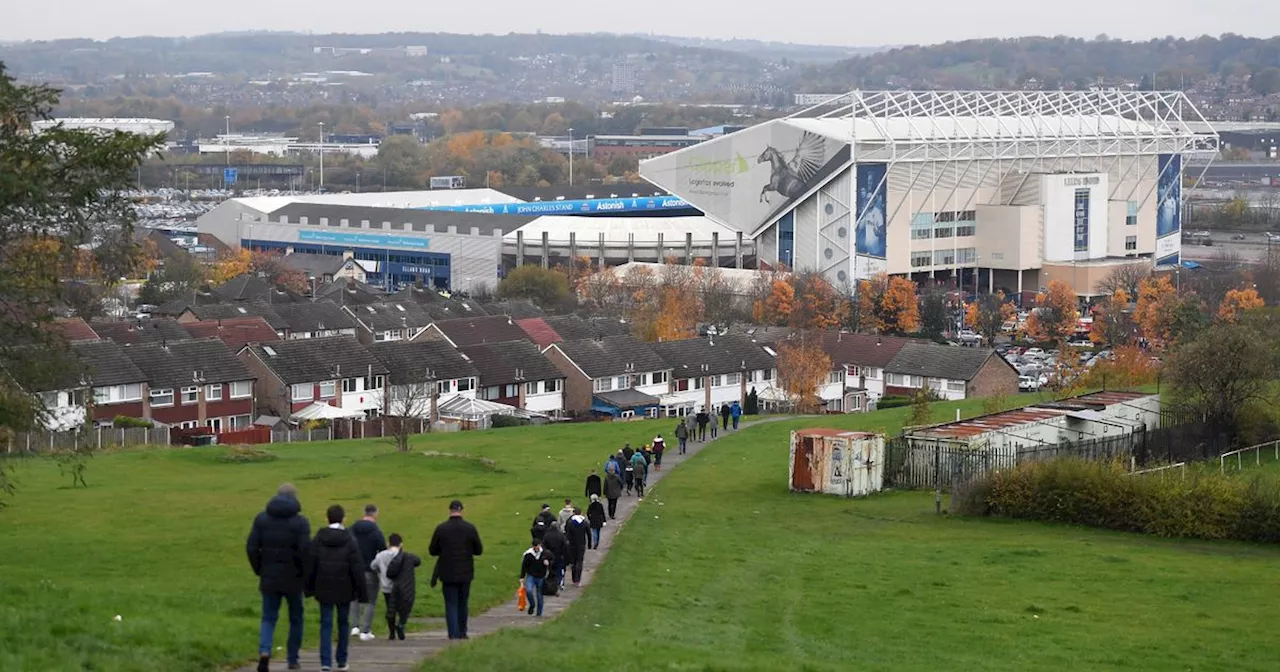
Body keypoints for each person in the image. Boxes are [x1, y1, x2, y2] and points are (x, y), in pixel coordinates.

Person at [246, 483, 311, 672]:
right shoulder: (300, 522)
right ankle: (292, 658)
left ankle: (265, 652)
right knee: (296, 618)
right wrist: (305, 574)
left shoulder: (262, 519)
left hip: (269, 576)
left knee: (268, 618)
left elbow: (251, 547)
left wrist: (259, 569)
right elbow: (305, 550)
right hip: (294, 578)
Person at [306, 504, 367, 672]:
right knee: (343, 623)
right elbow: (357, 567)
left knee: (325, 624)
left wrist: (308, 587)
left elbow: (311, 563)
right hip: (345, 587)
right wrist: (362, 593)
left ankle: (325, 662)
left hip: (323, 586)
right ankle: (342, 660)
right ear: (344, 519)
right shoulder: (349, 539)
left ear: (327, 518)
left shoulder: (319, 538)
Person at [429, 499, 483, 640]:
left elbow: (432, 550)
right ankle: (462, 632)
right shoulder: (470, 528)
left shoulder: (441, 528)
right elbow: (479, 550)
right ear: (461, 510)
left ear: (449, 510)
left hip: (447, 571)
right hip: (465, 571)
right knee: (463, 602)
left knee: (451, 603)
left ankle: (452, 633)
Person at [348, 504, 386, 642]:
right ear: (375, 514)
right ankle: (365, 630)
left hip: (353, 569)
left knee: (354, 598)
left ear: (364, 513)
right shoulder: (376, 531)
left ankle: (354, 626)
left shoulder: (351, 529)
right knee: (370, 601)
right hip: (369, 569)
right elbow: (382, 550)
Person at [383, 535, 420, 642]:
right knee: (406, 607)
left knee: (391, 609)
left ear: (388, 544)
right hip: (407, 586)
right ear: (401, 545)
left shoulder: (386, 556)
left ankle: (392, 632)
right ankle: (401, 624)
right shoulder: (410, 557)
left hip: (394, 587)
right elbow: (418, 561)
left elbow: (389, 573)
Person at [519, 538, 553, 617]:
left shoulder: (545, 553)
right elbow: (524, 566)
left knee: (539, 595)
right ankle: (532, 604)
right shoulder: (528, 554)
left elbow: (552, 560)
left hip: (541, 576)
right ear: (533, 546)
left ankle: (539, 613)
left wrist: (548, 563)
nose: (537, 548)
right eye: (535, 546)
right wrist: (522, 577)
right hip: (531, 575)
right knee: (529, 591)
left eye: (538, 546)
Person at [564, 507, 590, 586]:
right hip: (581, 544)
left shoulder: (570, 522)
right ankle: (577, 579)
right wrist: (589, 543)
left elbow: (566, 532)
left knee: (573, 562)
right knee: (579, 561)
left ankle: (573, 578)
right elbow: (588, 533)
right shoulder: (584, 522)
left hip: (572, 545)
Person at [540, 521, 570, 590]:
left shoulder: (547, 535)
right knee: (560, 570)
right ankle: (559, 584)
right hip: (559, 555)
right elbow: (565, 545)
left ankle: (551, 583)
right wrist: (565, 555)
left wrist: (546, 554)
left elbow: (543, 546)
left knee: (551, 570)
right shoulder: (561, 535)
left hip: (550, 556)